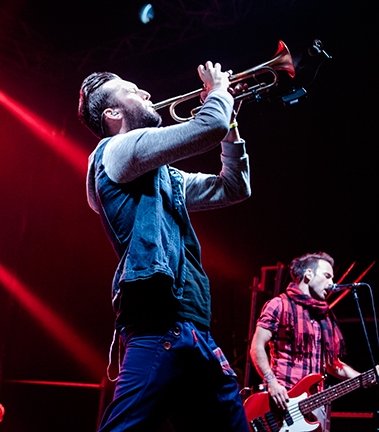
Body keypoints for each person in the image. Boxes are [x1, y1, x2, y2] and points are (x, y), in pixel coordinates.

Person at [78, 61, 251, 431]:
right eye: (132, 90)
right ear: (112, 114)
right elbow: (209, 126)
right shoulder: (115, 151)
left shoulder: (164, 177)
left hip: (195, 327)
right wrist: (218, 92)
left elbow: (234, 187)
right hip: (158, 326)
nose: (145, 93)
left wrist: (231, 123)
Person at [250, 252, 360, 432]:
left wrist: (364, 378)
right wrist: (272, 383)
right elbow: (256, 346)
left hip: (315, 405)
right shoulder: (279, 305)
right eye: (327, 276)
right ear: (308, 274)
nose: (332, 283)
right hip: (282, 402)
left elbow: (332, 364)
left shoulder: (325, 317)